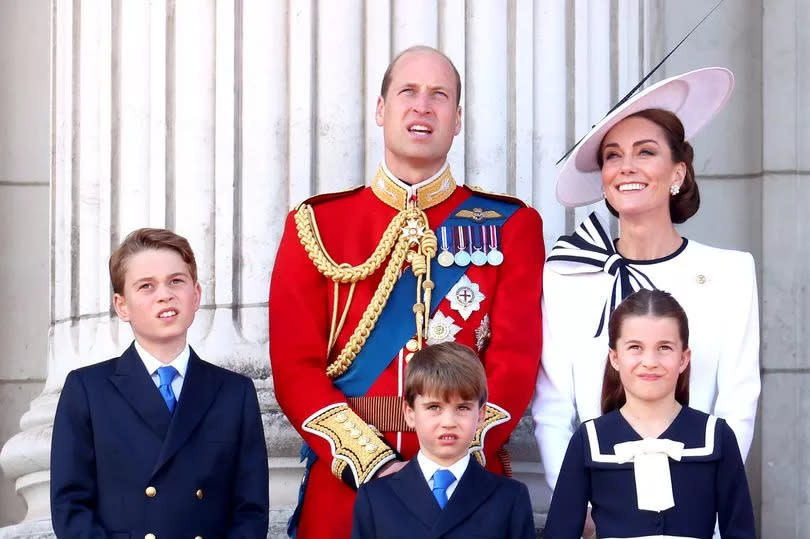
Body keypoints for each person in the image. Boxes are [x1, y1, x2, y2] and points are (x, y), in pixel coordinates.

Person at [270, 45, 544, 538]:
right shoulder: (316, 224)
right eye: (408, 92)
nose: (423, 106)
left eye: (439, 95)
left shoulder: (511, 227)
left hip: (468, 490)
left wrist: (455, 456)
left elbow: (515, 362)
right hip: (348, 488)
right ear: (381, 109)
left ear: (457, 119)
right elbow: (294, 367)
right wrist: (371, 461)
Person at [532, 68, 760, 502]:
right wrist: (575, 505)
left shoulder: (731, 273)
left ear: (678, 172)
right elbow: (554, 408)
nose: (627, 167)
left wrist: (704, 503)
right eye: (613, 156)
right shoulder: (566, 273)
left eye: (645, 152)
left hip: (696, 508)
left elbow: (737, 405)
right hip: (596, 510)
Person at [50, 228, 269, 538]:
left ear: (196, 295)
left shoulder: (235, 392)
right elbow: (71, 507)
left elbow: (250, 510)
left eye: (176, 281)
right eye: (146, 286)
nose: (165, 294)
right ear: (121, 305)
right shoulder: (87, 390)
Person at [543, 289, 755, 538]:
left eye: (664, 347)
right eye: (635, 347)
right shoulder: (588, 439)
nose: (650, 361)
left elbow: (740, 531)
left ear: (684, 358)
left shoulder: (716, 436)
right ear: (615, 357)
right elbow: (560, 531)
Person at [351, 342, 535, 539]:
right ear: (410, 413)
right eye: (434, 407)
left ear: (481, 415)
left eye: (462, 408)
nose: (448, 423)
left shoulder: (510, 498)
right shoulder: (376, 497)